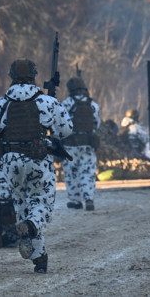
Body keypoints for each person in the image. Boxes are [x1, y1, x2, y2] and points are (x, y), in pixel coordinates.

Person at [0, 58, 73, 273]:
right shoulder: (46, 101)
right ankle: (31, 226)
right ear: (34, 75)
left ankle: (39, 258)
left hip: (10, 162)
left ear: (11, 76)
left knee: (22, 204)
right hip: (39, 160)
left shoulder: (0, 104)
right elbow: (66, 129)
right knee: (42, 203)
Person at [61, 76, 101, 211]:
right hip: (88, 144)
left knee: (71, 173)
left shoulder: (66, 103)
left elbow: (62, 122)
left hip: (70, 144)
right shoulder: (93, 104)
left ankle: (75, 200)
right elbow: (97, 123)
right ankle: (89, 199)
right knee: (88, 172)